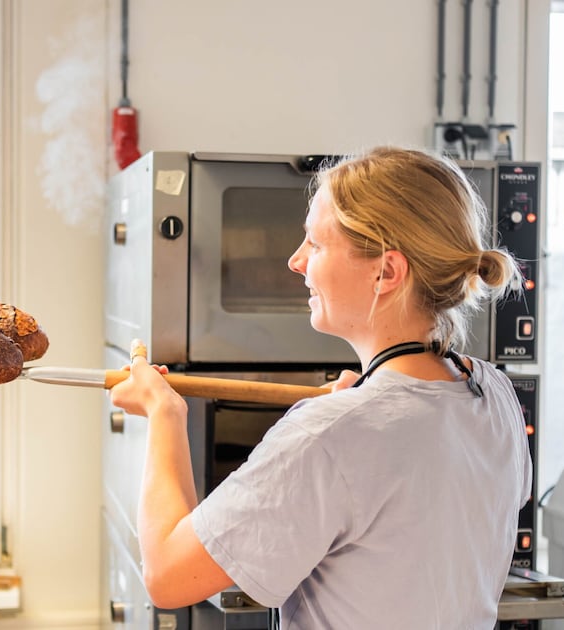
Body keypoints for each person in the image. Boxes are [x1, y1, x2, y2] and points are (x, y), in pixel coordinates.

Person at [108, 146, 533, 629]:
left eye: (316, 243)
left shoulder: (329, 436)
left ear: (386, 272)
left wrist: (164, 414)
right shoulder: (495, 395)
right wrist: (358, 414)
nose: (295, 261)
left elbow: (167, 575)